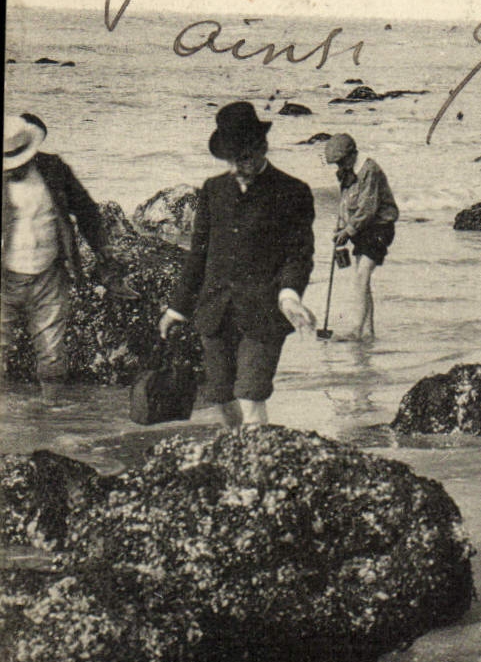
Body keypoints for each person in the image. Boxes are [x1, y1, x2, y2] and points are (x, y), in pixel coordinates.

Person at [158, 102, 316, 425]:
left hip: (264, 312)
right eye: (229, 160)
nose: (235, 168)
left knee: (251, 393)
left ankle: (256, 460)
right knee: (221, 396)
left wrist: (289, 296)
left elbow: (298, 255)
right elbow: (197, 255)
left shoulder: (293, 192)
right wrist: (177, 309)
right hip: (215, 310)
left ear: (262, 148)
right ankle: (235, 451)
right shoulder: (213, 190)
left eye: (242, 158)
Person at [3, 114, 135, 398]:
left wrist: (105, 257)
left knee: (52, 351)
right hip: (5, 278)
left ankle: (51, 413)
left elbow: (87, 210)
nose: (13, 168)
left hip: (50, 273)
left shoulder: (53, 169)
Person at [322, 133, 398, 341]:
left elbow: (367, 208)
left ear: (351, 155)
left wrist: (348, 231)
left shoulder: (369, 170)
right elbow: (346, 202)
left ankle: (356, 330)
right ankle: (368, 332)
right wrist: (341, 226)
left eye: (340, 162)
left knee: (361, 277)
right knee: (361, 280)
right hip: (361, 230)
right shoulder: (347, 171)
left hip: (379, 228)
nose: (338, 167)